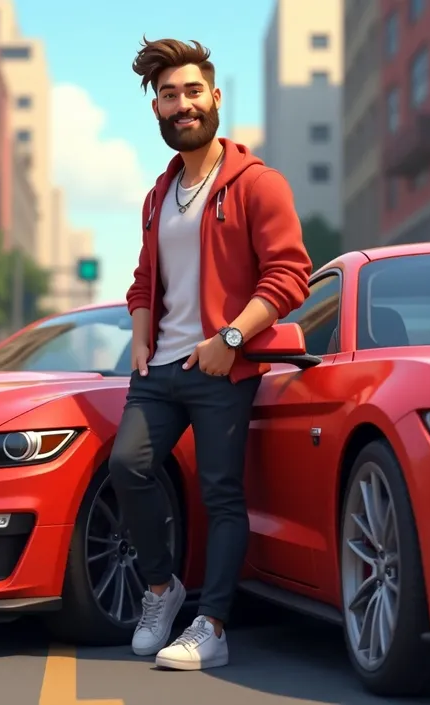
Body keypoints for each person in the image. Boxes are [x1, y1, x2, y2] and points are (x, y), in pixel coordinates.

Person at [108, 36, 312, 671]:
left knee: (222, 494)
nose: (182, 105)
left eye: (192, 91)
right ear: (158, 111)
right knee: (128, 465)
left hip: (222, 367)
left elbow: (288, 276)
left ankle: (213, 625)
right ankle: (163, 590)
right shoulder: (156, 196)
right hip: (159, 367)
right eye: (169, 96)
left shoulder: (258, 184)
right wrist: (141, 332)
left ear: (215, 97)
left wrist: (230, 339)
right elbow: (144, 279)